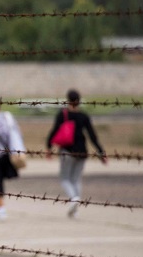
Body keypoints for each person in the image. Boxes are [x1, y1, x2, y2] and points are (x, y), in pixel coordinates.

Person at [45, 89, 108, 218]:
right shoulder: (83, 116)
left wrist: (49, 146)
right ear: (79, 101)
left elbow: (54, 131)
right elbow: (92, 136)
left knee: (64, 178)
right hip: (82, 152)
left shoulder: (62, 114)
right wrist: (101, 152)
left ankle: (74, 199)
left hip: (67, 151)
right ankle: (76, 208)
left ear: (68, 100)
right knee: (76, 179)